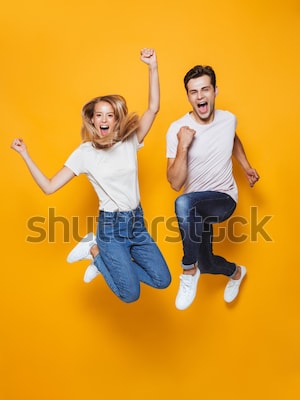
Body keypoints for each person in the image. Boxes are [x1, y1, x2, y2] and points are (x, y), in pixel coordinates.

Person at [11, 48, 171, 303]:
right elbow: (50, 187)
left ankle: (102, 261)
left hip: (136, 223)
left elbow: (153, 108)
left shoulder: (130, 141)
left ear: (117, 120)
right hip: (110, 229)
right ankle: (94, 250)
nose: (104, 119)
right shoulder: (85, 153)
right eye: (99, 115)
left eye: (110, 115)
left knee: (163, 280)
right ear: (93, 121)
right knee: (130, 295)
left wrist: (152, 66)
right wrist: (25, 154)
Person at [166, 65, 259, 310]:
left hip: (223, 198)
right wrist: (183, 146)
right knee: (207, 263)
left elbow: (233, 138)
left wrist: (246, 166)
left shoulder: (228, 119)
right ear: (188, 96)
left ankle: (188, 270)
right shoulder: (177, 130)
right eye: (193, 92)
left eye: (205, 89)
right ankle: (236, 272)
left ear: (215, 91)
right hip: (195, 211)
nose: (200, 97)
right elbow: (175, 184)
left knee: (183, 203)